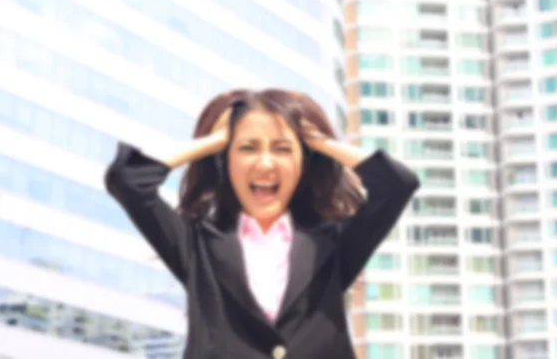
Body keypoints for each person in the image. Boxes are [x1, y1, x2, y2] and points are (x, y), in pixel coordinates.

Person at [104, 89, 419, 359]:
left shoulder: (334, 245)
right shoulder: (197, 246)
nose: (265, 163)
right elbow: (128, 180)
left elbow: (396, 185)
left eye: (282, 149)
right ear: (226, 160)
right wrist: (213, 141)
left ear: (303, 163)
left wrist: (318, 141)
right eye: (247, 148)